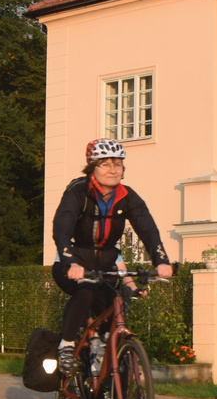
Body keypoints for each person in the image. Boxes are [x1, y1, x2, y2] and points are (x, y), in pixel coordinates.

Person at [50, 139, 172, 370]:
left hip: (106, 266)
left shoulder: (128, 196)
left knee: (115, 308)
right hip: (72, 263)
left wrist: (161, 260)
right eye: (104, 164)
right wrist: (70, 262)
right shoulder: (78, 192)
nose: (113, 169)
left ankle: (116, 386)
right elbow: (62, 229)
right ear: (92, 167)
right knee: (85, 290)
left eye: (117, 163)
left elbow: (148, 230)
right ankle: (66, 345)